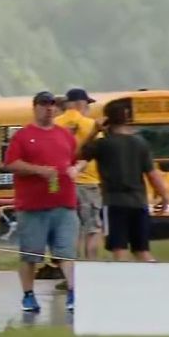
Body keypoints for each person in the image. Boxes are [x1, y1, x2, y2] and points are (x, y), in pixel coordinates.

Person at [3, 91, 81, 313]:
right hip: (33, 206)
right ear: (35, 107)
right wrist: (39, 171)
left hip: (64, 204)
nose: (49, 108)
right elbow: (10, 163)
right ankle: (28, 295)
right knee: (31, 255)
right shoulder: (23, 136)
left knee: (66, 252)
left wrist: (77, 168)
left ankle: (73, 292)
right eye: (44, 104)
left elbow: (76, 159)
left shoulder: (65, 135)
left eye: (52, 105)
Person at [79, 101, 169, 262]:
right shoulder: (140, 143)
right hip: (139, 202)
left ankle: (125, 283)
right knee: (142, 250)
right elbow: (152, 173)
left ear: (107, 119)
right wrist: (164, 196)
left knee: (119, 249)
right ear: (127, 118)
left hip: (114, 203)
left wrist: (94, 131)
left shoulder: (103, 144)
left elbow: (78, 154)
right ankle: (156, 279)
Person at [54, 87, 103, 261]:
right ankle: (90, 269)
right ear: (81, 103)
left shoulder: (55, 124)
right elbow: (98, 151)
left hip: (61, 183)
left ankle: (71, 274)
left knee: (71, 230)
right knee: (92, 230)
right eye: (87, 104)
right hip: (88, 182)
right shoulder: (91, 125)